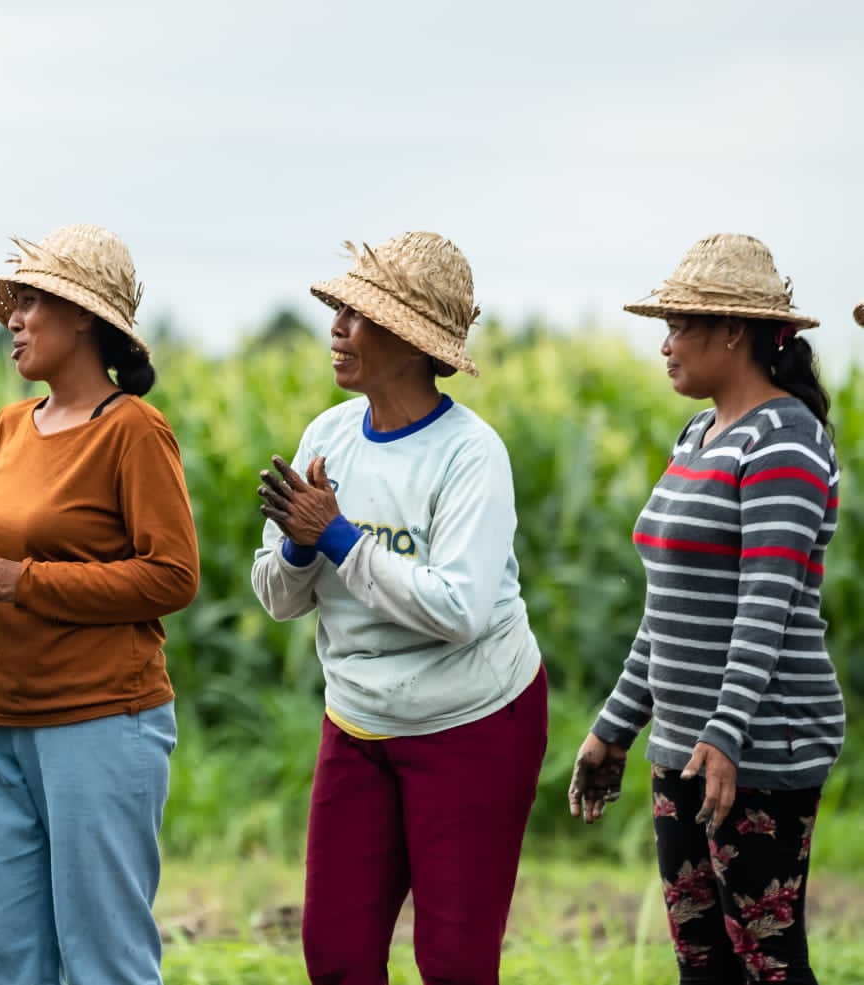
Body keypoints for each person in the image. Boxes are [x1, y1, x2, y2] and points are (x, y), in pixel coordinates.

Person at [251, 232, 547, 985]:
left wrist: (338, 536)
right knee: (337, 955)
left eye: (358, 315)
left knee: (453, 962)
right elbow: (278, 598)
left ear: (413, 343)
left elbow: (459, 609)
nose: (336, 329)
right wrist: (296, 547)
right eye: (338, 311)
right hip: (357, 720)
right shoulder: (327, 435)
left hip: (472, 721)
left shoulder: (469, 454)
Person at [0, 223, 199, 985]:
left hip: (101, 721)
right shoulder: (10, 426)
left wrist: (23, 580)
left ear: (82, 316)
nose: (13, 320)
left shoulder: (133, 432)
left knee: (103, 961)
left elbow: (172, 576)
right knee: (2, 959)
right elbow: (8, 555)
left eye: (32, 301)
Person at [570, 233, 845, 985]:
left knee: (767, 961)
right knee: (702, 961)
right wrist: (615, 726)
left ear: (732, 330)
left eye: (679, 326)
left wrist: (725, 736)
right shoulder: (699, 434)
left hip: (760, 745)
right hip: (688, 746)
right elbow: (667, 613)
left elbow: (765, 602)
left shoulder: (784, 439)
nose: (664, 345)